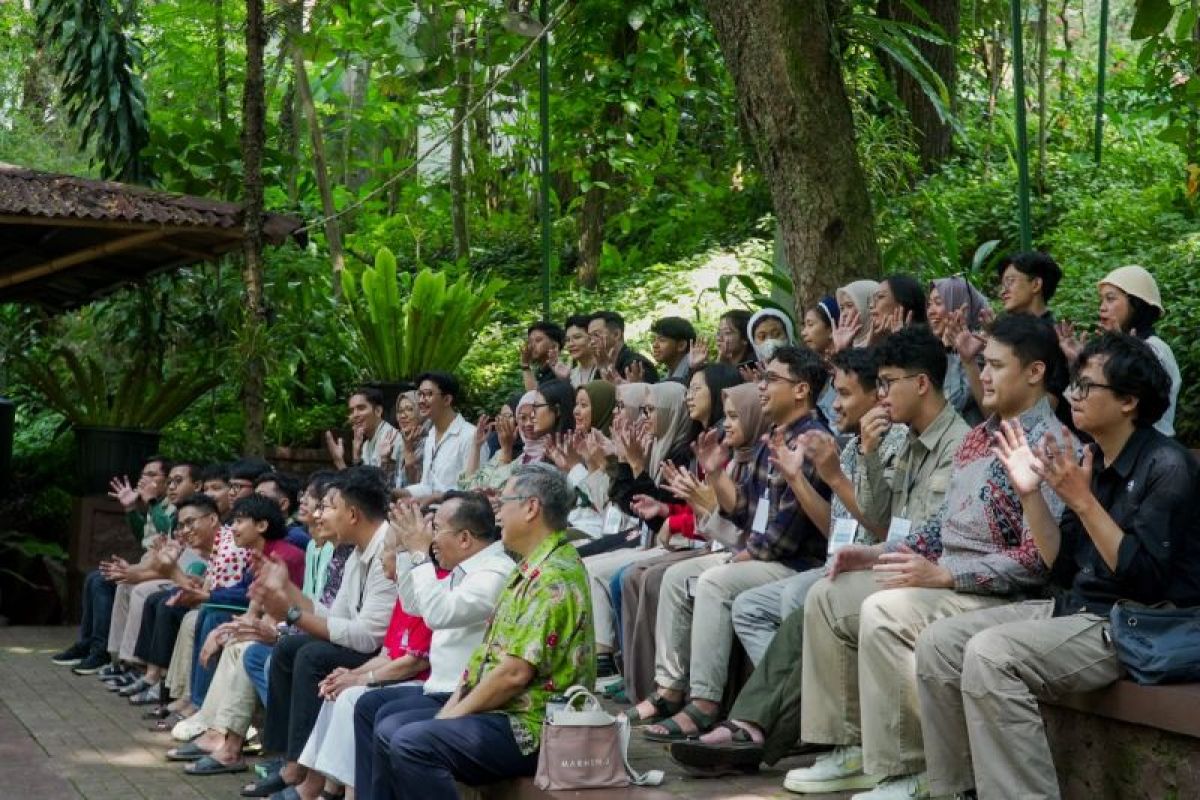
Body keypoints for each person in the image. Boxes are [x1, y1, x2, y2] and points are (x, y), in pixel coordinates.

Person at [785, 313, 1070, 799]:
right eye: (982, 364)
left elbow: (1036, 562)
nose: (982, 375)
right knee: (829, 593)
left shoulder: (1052, 444)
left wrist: (946, 575)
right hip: (946, 577)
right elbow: (939, 528)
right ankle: (850, 750)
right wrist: (876, 553)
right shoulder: (983, 436)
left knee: (885, 611)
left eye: (996, 365)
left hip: (1002, 596)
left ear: (1035, 372)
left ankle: (911, 769)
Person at [916, 332, 1200, 800]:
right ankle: (958, 791)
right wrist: (1031, 494)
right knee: (940, 643)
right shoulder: (1096, 461)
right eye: (1075, 385)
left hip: (1135, 623)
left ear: (1129, 400)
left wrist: (1082, 499)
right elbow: (1060, 564)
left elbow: (1144, 578)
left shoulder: (1165, 466)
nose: (1073, 396)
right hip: (1076, 609)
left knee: (992, 654)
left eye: (1087, 388)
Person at [672, 346, 910, 773]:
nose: (834, 404)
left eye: (844, 394)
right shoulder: (834, 443)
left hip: (829, 562)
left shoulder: (826, 440)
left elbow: (863, 529)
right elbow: (747, 512)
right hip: (838, 558)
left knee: (779, 594)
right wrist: (714, 473)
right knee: (743, 603)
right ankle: (777, 717)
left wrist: (812, 477)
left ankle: (742, 715)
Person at [628, 345, 831, 741]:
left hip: (797, 563)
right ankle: (673, 690)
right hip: (764, 554)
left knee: (715, 582)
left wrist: (745, 554)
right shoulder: (775, 436)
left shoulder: (810, 440)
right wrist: (717, 473)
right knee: (679, 577)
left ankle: (705, 704)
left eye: (772, 379)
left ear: (802, 390)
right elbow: (744, 511)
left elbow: (787, 537)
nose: (762, 388)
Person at [373, 463, 595, 799]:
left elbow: (513, 675)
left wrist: (449, 719)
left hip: (535, 727)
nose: (498, 514)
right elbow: (484, 659)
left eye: (504, 502)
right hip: (504, 713)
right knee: (393, 729)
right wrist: (449, 713)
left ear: (531, 507)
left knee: (411, 742)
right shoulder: (528, 567)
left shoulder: (554, 577)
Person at [248, 466, 398, 795]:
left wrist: (289, 613)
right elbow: (331, 614)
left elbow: (368, 636)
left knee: (312, 655)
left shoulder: (389, 549)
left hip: (389, 655)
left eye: (328, 506)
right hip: (367, 643)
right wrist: (286, 588)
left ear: (353, 513)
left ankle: (304, 773)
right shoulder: (356, 550)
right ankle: (291, 762)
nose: (319, 515)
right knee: (289, 649)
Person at [354, 491, 515, 795]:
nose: (431, 538)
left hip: (468, 696)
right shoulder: (466, 568)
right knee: (369, 705)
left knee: (392, 725)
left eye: (437, 529)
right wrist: (404, 550)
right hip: (441, 690)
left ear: (465, 538)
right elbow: (416, 605)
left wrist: (418, 554)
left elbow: (438, 614)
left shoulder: (494, 573)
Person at [52, 455, 174, 675]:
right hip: (148, 560)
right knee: (94, 577)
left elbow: (167, 531)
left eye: (152, 474)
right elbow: (143, 536)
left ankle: (101, 651)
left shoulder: (168, 505)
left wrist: (151, 502)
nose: (145, 478)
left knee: (102, 581)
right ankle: (88, 643)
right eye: (144, 474)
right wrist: (130, 509)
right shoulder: (156, 503)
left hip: (162, 567)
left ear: (167, 481)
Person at [1060, 265, 1181, 437]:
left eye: (1110, 299)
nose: (1102, 307)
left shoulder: (1156, 349)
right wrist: (1079, 363)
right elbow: (1083, 406)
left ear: (1136, 304)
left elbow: (1135, 408)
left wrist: (1121, 351)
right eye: (1101, 300)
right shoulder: (1110, 350)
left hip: (1148, 451)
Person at [395, 372, 477, 505]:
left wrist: (436, 498)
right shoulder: (431, 435)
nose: (421, 400)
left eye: (428, 394)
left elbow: (474, 492)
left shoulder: (470, 436)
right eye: (420, 394)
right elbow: (427, 486)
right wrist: (394, 493)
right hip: (430, 512)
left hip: (456, 518)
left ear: (447, 400)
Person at [927, 275, 990, 424]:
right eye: (929, 304)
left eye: (938, 303)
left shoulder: (980, 350)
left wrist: (949, 352)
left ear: (960, 305)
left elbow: (953, 401)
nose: (930, 311)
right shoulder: (934, 348)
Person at [325, 387, 399, 471]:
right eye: (351, 411)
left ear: (378, 411)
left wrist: (340, 462)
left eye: (361, 408)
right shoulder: (365, 444)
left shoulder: (391, 439)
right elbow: (359, 482)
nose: (355, 415)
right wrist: (350, 456)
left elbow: (379, 483)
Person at [589, 310, 660, 383]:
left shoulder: (637, 364)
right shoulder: (601, 366)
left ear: (616, 334)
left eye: (596, 335)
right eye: (590, 337)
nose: (592, 342)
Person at [801, 296, 840, 422]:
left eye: (810, 325)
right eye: (804, 325)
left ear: (831, 328)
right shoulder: (817, 366)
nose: (803, 332)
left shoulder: (845, 366)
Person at [997, 250, 1061, 320]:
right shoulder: (1004, 328)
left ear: (1036, 285)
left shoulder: (1053, 330)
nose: (1002, 292)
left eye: (1010, 281)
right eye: (1003, 285)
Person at [256, 471, 311, 550]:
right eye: (253, 497)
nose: (252, 502)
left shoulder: (294, 538)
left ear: (283, 504)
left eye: (260, 497)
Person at [867, 274, 927, 344]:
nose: (871, 305)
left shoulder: (925, 343)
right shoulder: (876, 339)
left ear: (902, 303)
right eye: (873, 299)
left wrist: (899, 339)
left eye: (880, 297)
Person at [392, 390, 430, 489]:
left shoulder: (429, 442)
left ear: (420, 411)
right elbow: (395, 484)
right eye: (400, 411)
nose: (403, 416)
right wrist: (385, 460)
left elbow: (420, 487)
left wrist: (409, 451)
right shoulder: (401, 441)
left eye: (409, 409)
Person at [835, 280, 881, 350]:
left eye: (849, 305)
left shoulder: (885, 346)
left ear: (869, 306)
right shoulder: (849, 345)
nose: (844, 314)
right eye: (842, 308)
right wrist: (841, 349)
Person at [520, 319, 567, 389]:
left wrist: (525, 365)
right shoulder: (541, 373)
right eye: (530, 342)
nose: (531, 346)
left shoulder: (561, 374)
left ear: (554, 346)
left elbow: (534, 396)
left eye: (538, 340)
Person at [650, 315, 698, 380]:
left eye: (662, 340)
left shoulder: (696, 373)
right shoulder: (672, 373)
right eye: (654, 340)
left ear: (681, 345)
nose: (655, 345)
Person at [563, 313, 600, 386]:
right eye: (567, 340)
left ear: (592, 338)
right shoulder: (570, 375)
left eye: (577, 337)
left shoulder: (606, 370)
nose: (571, 344)